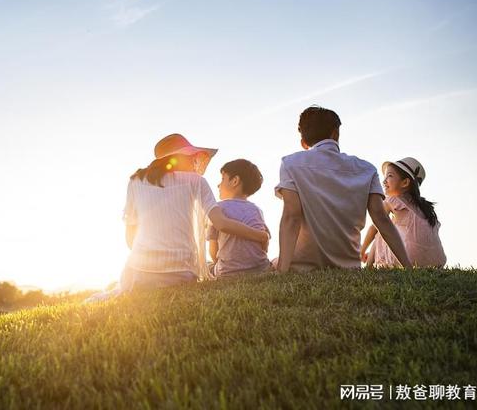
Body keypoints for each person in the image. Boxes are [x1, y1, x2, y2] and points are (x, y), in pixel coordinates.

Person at [120, 134, 269, 291]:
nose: (194, 161)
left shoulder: (135, 181)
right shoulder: (196, 181)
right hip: (182, 274)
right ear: (178, 157)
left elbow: (130, 239)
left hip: (139, 274)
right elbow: (221, 223)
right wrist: (261, 236)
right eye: (191, 157)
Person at [274, 106, 412, 273]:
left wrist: (281, 271)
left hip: (302, 268)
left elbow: (292, 216)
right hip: (349, 269)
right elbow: (381, 219)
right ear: (335, 133)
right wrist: (409, 267)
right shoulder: (367, 169)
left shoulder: (290, 163)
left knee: (270, 263)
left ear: (304, 142)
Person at [361, 158, 446, 268]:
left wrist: (362, 250)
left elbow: (373, 228)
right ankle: (377, 259)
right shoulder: (424, 207)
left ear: (405, 182)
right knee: (390, 224)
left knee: (381, 228)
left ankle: (368, 268)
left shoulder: (393, 200)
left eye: (390, 176)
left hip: (411, 259)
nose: (384, 181)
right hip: (436, 261)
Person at [207, 159, 272, 277]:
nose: (218, 185)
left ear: (235, 181)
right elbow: (264, 245)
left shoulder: (218, 209)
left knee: (208, 265)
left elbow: (213, 249)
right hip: (260, 268)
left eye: (222, 179)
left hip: (228, 271)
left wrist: (219, 263)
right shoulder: (257, 210)